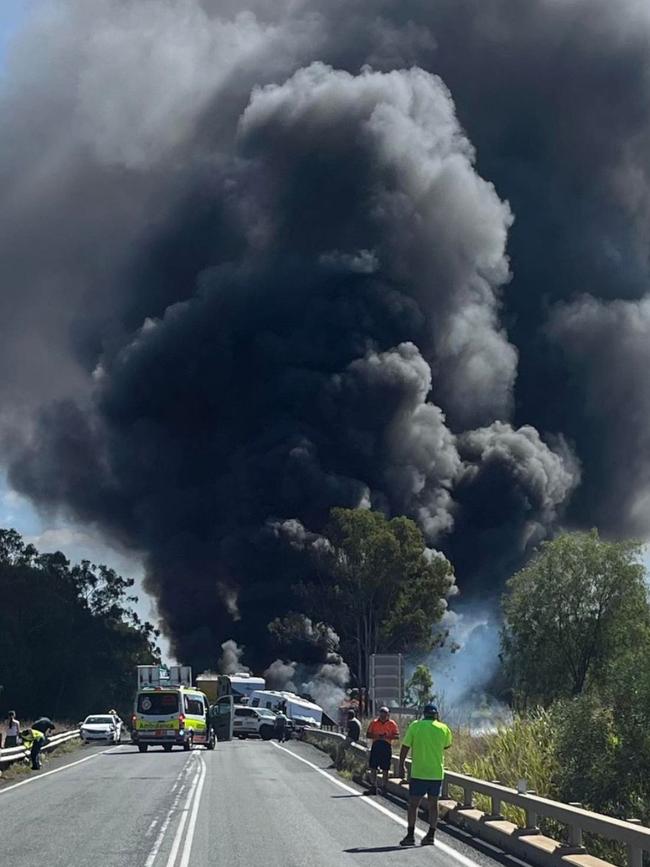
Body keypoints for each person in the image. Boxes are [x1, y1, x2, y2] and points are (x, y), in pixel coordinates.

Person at [397, 704, 452, 847]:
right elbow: (447, 745)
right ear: (436, 715)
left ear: (424, 714)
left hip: (419, 773)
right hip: (436, 774)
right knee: (434, 805)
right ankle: (431, 835)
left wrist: (401, 764)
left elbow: (405, 747)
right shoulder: (443, 728)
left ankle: (410, 835)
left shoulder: (415, 726)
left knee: (413, 805)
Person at [365, 706, 399, 795]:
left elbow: (396, 736)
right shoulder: (374, 723)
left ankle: (384, 787)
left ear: (388, 715)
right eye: (381, 714)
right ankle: (373, 786)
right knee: (373, 766)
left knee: (385, 768)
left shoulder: (392, 724)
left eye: (385, 714)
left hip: (386, 746)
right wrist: (377, 736)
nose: (383, 716)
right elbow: (368, 734)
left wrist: (387, 736)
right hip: (376, 745)